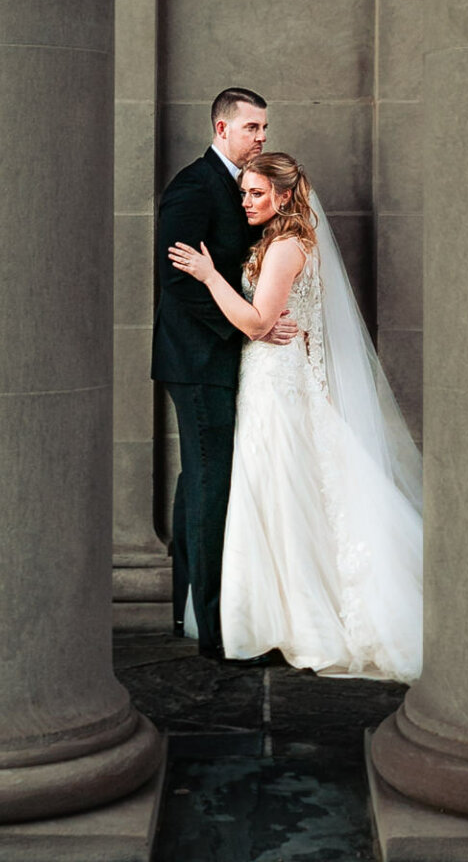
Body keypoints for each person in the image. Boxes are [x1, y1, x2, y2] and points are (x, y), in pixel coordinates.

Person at [169, 152, 423, 681]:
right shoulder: (278, 242)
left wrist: (212, 276)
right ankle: (269, 614)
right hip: (268, 378)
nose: (246, 202)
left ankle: (296, 619)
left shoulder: (286, 246)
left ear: (284, 196)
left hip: (278, 384)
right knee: (273, 494)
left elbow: (259, 320)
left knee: (281, 492)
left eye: (256, 194)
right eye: (243, 193)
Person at [151, 87, 298, 661]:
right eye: (252, 128)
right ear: (221, 129)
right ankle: (217, 633)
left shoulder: (240, 186)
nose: (262, 137)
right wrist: (252, 327)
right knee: (212, 485)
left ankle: (189, 610)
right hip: (198, 360)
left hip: (216, 358)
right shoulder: (193, 185)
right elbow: (179, 279)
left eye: (264, 128)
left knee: (199, 482)